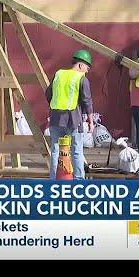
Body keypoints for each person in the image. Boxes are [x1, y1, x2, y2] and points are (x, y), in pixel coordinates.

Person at [45, 49, 94, 180]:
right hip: (73, 120)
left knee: (55, 151)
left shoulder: (58, 74)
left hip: (55, 119)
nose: (87, 71)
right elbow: (87, 101)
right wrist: (91, 121)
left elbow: (48, 94)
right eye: (87, 67)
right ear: (80, 65)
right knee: (76, 150)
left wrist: (55, 106)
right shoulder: (81, 79)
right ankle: (78, 182)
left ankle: (53, 180)